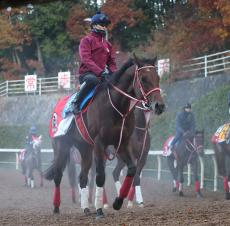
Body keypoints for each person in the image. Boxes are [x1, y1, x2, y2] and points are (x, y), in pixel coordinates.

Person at [73, 11, 117, 113]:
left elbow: (111, 63)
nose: (105, 27)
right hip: (87, 74)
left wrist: (115, 74)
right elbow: (86, 59)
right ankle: (76, 103)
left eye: (105, 25)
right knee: (93, 80)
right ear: (94, 25)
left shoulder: (108, 45)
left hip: (102, 75)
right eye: (102, 25)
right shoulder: (86, 40)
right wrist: (100, 72)